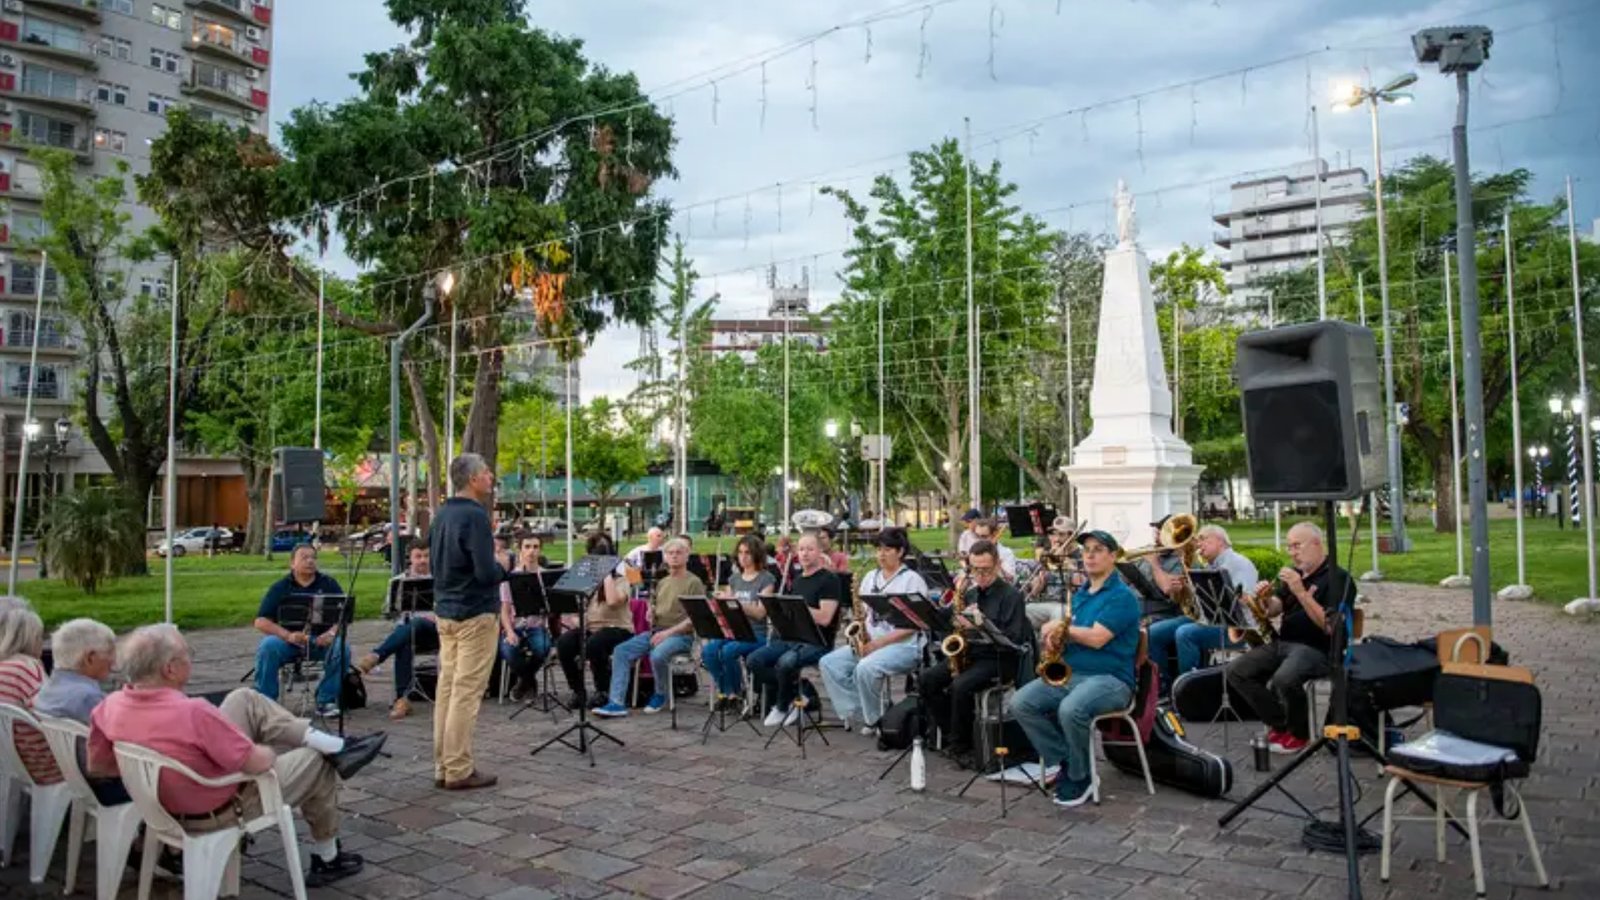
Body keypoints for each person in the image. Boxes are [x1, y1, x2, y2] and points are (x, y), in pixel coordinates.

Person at [88, 625, 384, 888]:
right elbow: (258, 763)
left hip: (161, 806)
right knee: (316, 761)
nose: (191, 660)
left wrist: (151, 768)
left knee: (243, 698)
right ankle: (327, 856)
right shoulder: (193, 713)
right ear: (170, 669)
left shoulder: (109, 706)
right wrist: (259, 748)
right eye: (188, 655)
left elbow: (100, 766)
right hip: (220, 808)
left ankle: (333, 744)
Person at [1008, 530, 1142, 807]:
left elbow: (1097, 638)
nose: (1089, 555)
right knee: (1021, 702)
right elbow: (1075, 635)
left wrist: (1062, 628)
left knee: (1071, 709)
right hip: (1074, 674)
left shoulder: (1122, 596)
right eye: (1086, 550)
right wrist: (1054, 642)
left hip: (1111, 679)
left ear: (1113, 556)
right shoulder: (1081, 593)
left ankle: (1081, 777)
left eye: (1098, 550)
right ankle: (1068, 761)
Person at [1226, 521, 1346, 755]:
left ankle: (1299, 734)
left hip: (1319, 648)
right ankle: (1281, 724)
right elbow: (1275, 608)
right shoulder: (1296, 574)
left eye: (1297, 546)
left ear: (1316, 544)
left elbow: (1329, 626)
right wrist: (1264, 600)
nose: (1292, 553)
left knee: (1284, 678)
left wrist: (1301, 591)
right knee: (1236, 670)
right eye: (1289, 547)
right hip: (1284, 643)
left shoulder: (1337, 577)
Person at [428, 452, 507, 790]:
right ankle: (459, 767)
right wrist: (504, 566)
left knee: (447, 689)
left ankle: (443, 764)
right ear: (473, 479)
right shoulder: (475, 516)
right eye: (487, 473)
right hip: (475, 612)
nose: (491, 477)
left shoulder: (441, 514)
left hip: (446, 610)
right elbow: (485, 572)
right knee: (466, 692)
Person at [917, 540, 1030, 769]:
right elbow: (945, 621)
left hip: (998, 658)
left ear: (997, 565)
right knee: (927, 679)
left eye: (986, 570)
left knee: (961, 685)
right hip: (970, 654)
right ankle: (950, 733)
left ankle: (962, 747)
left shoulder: (1011, 596)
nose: (981, 576)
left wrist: (979, 625)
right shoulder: (969, 594)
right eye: (975, 570)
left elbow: (1015, 638)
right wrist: (934, 612)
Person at [818, 528, 929, 735]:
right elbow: (863, 614)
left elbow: (914, 625)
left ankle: (875, 719)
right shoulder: (870, 577)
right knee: (829, 663)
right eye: (878, 549)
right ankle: (867, 712)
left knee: (865, 668)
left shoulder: (912, 580)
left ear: (900, 551)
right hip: (871, 641)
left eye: (887, 550)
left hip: (904, 645)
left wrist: (877, 644)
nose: (881, 554)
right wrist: (861, 635)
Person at [595, 538, 704, 717]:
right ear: (665, 557)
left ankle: (661, 693)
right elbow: (653, 606)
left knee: (658, 655)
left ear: (687, 555)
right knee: (621, 651)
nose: (674, 556)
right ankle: (616, 702)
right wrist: (650, 613)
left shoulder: (694, 582)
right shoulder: (662, 582)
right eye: (670, 553)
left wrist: (667, 633)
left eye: (679, 552)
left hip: (681, 635)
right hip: (657, 631)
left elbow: (695, 618)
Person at [749, 534, 840, 727]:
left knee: (785, 662)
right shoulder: (798, 580)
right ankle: (801, 692)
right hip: (792, 637)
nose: (805, 553)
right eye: (801, 549)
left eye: (810, 549)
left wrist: (799, 607)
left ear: (820, 551)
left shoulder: (829, 580)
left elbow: (825, 617)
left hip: (817, 641)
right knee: (755, 660)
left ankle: (782, 706)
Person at [34, 618, 127, 804]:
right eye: (110, 653)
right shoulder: (87, 698)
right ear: (90, 658)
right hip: (103, 783)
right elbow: (126, 738)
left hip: (73, 778)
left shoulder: (49, 688)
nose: (113, 661)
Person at [251, 544, 350, 717]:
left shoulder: (329, 584)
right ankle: (265, 703)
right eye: (304, 557)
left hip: (319, 640)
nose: (310, 561)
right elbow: (261, 621)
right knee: (268, 646)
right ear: (292, 563)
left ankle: (326, 700)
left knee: (341, 649)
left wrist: (331, 634)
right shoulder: (280, 587)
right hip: (289, 641)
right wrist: (287, 635)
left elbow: (343, 618)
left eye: (313, 557)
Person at [355, 542, 434, 720]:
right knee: (404, 640)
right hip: (407, 632)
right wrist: (396, 607)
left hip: (434, 632)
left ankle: (376, 656)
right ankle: (402, 699)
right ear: (410, 559)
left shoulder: (439, 580)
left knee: (416, 623)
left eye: (426, 556)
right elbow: (388, 611)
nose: (423, 560)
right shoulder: (399, 581)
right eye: (418, 556)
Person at [555, 532, 634, 709]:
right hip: (592, 629)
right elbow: (575, 608)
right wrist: (577, 618)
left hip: (618, 629)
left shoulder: (623, 579)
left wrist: (605, 572)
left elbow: (612, 601)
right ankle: (578, 691)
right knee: (564, 643)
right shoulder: (587, 581)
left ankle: (603, 691)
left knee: (594, 644)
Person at [1172, 525, 1261, 679]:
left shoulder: (1238, 563)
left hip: (1238, 628)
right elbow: (1199, 605)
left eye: (1203, 539)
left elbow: (1246, 600)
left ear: (1220, 541)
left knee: (1185, 633)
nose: (1199, 544)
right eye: (1198, 540)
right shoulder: (1209, 566)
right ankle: (1166, 686)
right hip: (1212, 621)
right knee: (1158, 632)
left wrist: (1235, 596)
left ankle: (1189, 686)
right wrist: (1183, 589)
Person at [699, 535, 775, 711]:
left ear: (757, 554)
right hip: (733, 631)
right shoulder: (734, 579)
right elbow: (726, 610)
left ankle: (736, 693)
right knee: (708, 651)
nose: (743, 557)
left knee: (728, 651)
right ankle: (727, 691)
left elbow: (760, 613)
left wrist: (735, 602)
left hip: (755, 633)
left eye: (748, 553)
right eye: (740, 553)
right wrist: (719, 603)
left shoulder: (766, 579)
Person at [0, 605, 59, 786]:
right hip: (43, 765)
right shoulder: (26, 668)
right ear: (28, 638)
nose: (43, 642)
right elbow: (50, 714)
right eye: (40, 636)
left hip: (11, 760)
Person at [498, 534, 554, 700]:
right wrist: (509, 631)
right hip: (515, 625)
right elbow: (504, 609)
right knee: (508, 650)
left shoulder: (546, 577)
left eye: (535, 547)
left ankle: (523, 682)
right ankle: (529, 681)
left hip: (537, 626)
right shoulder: (510, 578)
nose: (531, 551)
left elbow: (553, 607)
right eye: (527, 547)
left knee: (542, 648)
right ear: (520, 550)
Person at [1025, 517, 1081, 628]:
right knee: (1022, 611)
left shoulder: (1082, 557)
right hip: (1044, 603)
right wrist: (1037, 585)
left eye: (1061, 535)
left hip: (1068, 605)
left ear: (1072, 536)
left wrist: (1069, 565)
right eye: (1053, 534)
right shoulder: (1047, 556)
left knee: (1059, 612)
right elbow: (1033, 593)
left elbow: (1083, 587)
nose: (1056, 539)